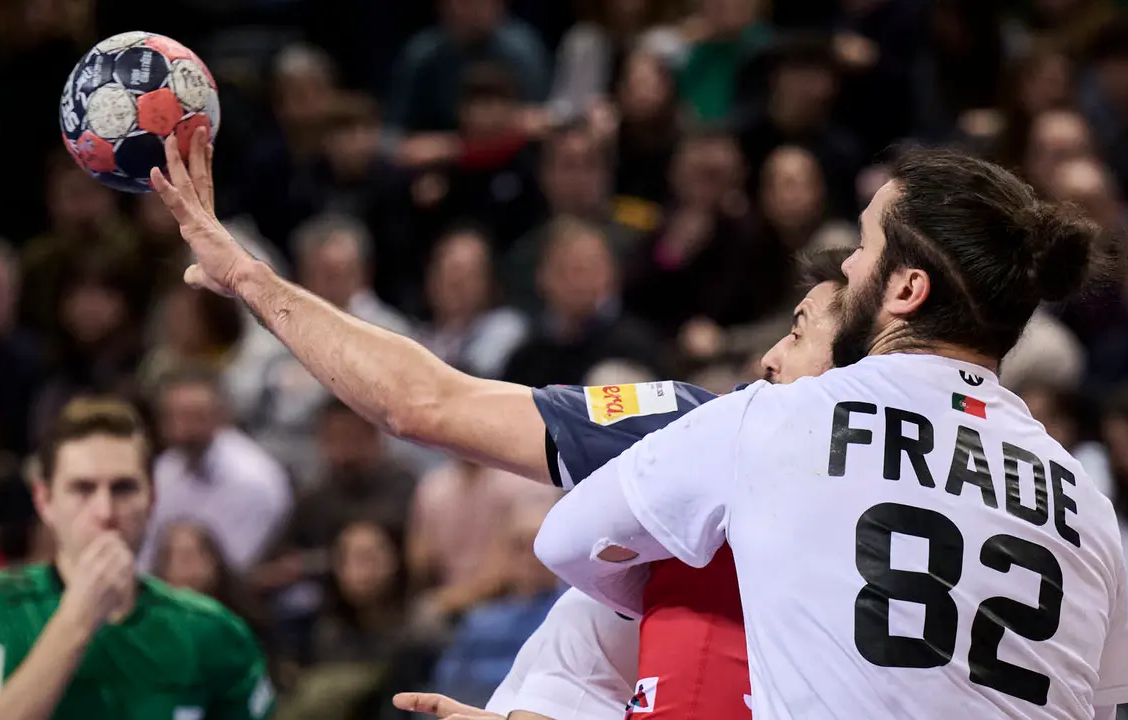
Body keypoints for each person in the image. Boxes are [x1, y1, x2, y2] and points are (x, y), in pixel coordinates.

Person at [148, 128, 842, 719]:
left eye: (800, 332)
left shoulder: (728, 436)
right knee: (583, 620)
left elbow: (421, 404)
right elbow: (421, 402)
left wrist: (248, 278)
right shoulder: (704, 435)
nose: (768, 356)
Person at [532, 148, 1128, 718]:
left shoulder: (779, 415)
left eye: (864, 243)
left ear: (906, 289)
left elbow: (564, 541)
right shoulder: (1084, 497)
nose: (848, 264)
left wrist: (734, 593)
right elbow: (1103, 705)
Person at [0, 397, 273, 720]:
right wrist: (78, 619)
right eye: (83, 489)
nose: (105, 512)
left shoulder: (213, 631)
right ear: (44, 500)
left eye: (124, 488)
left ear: (153, 498)